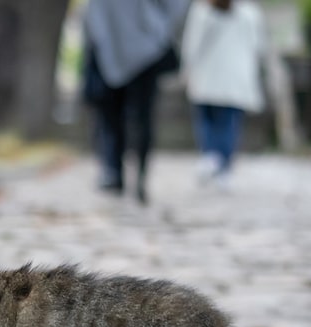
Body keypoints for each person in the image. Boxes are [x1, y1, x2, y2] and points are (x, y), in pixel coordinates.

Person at [83, 0, 188, 205]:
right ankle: (114, 171)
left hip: (144, 49)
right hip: (108, 43)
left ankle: (138, 175)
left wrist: (157, 26)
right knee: (112, 112)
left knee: (139, 115)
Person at [181, 0, 266, 190]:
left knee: (207, 120)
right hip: (235, 79)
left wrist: (186, 70)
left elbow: (192, 44)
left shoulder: (201, 10)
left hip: (207, 76)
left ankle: (210, 155)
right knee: (228, 123)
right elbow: (258, 46)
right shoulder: (250, 13)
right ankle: (224, 166)